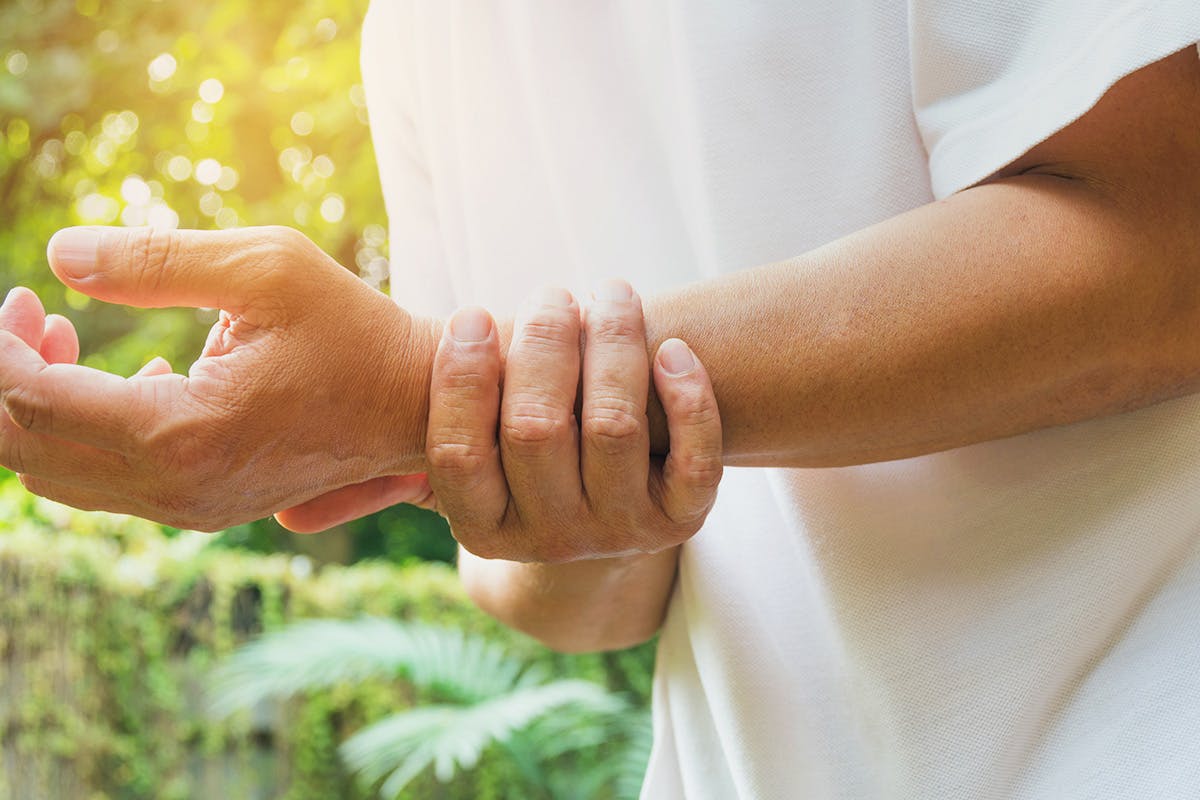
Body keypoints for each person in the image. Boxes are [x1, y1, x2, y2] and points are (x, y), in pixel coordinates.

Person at [3, 1, 1200, 797]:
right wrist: (541, 475)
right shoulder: (418, 36)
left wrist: (410, 390)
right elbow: (562, 592)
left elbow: (1170, 239)